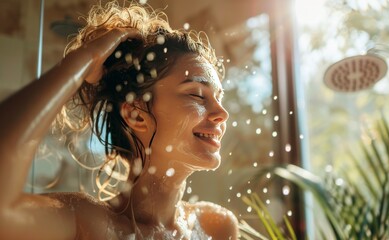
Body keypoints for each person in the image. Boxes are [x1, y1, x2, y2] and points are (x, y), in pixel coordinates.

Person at [0, 1, 238, 239]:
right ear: (136, 115)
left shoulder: (216, 226)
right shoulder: (88, 224)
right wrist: (83, 60)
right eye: (196, 94)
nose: (222, 112)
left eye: (219, 97)